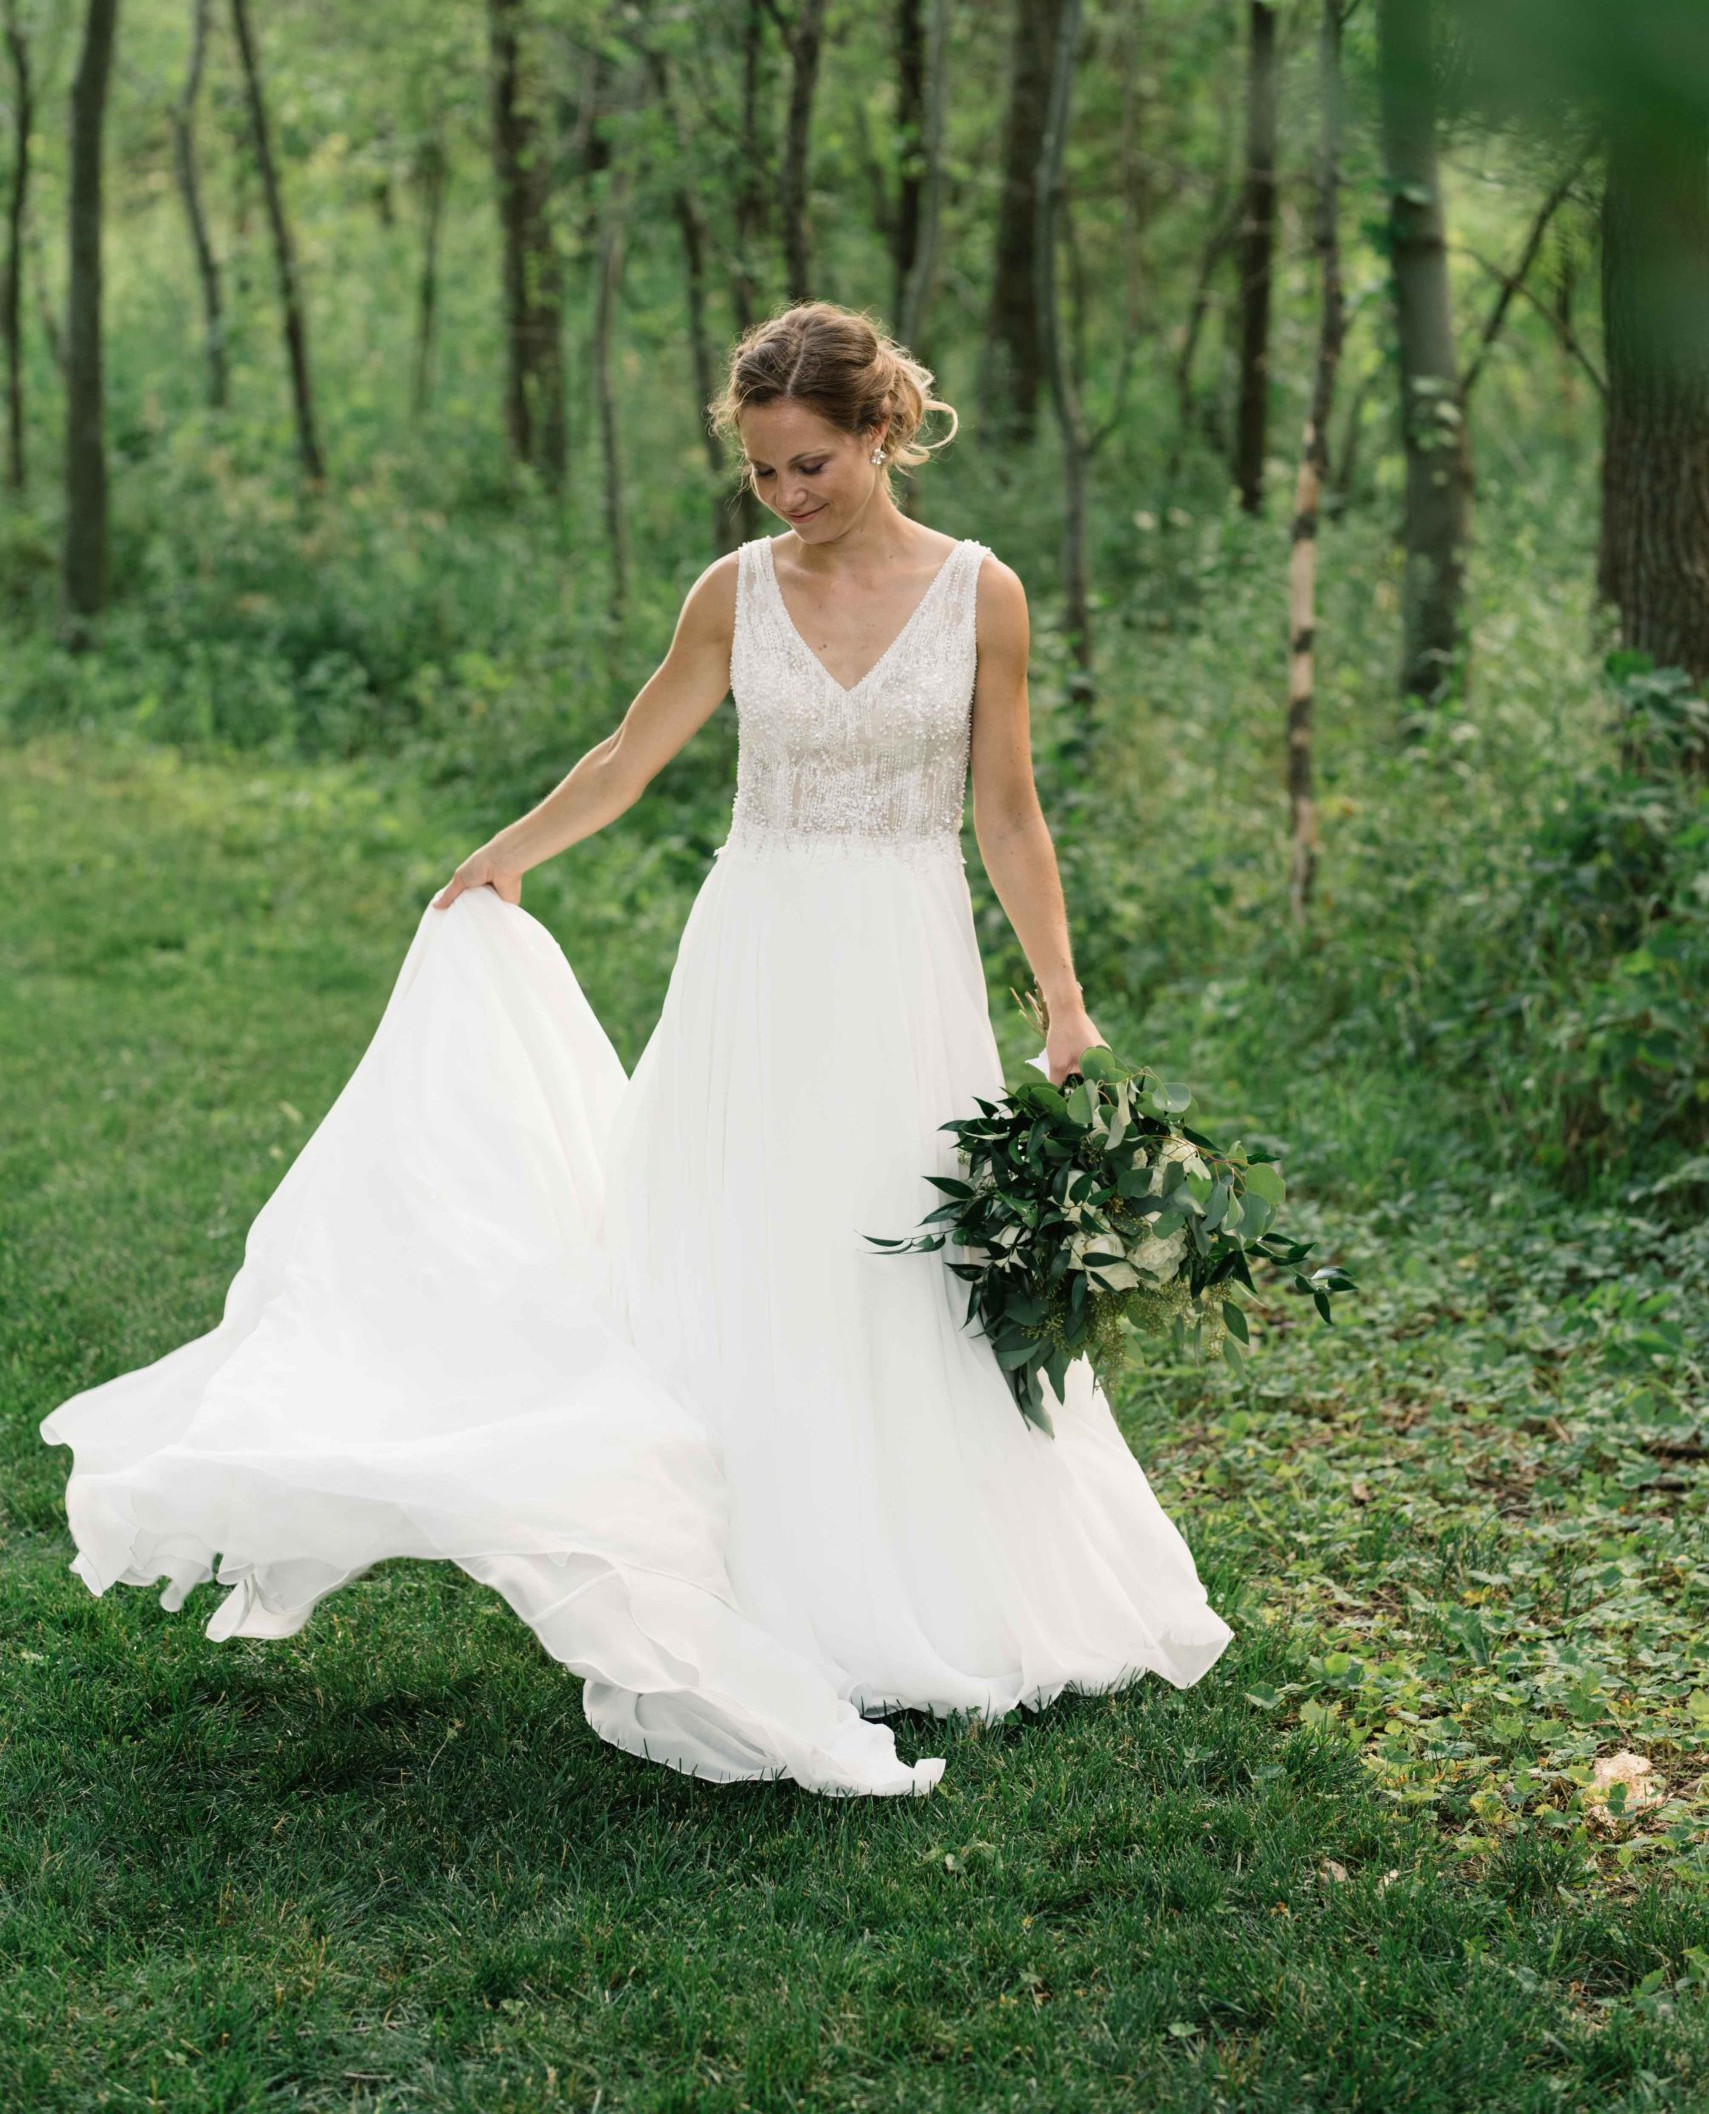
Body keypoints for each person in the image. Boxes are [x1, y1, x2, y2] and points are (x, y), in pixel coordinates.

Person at [40, 302, 1231, 1798]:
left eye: (810, 465)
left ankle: (928, 1572)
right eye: (763, 475)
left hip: (905, 963)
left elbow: (1006, 809)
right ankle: (746, 1566)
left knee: (902, 1251)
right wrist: (506, 854)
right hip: (759, 954)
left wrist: (1060, 999)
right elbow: (629, 752)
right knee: (740, 1244)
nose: (788, 496)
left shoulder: (981, 596)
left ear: (881, 433)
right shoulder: (731, 595)